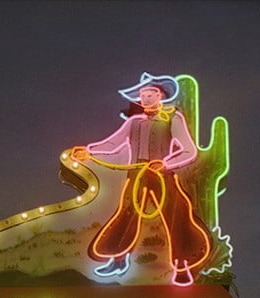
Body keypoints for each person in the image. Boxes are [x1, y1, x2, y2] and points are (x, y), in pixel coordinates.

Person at [72, 73, 212, 285]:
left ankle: (182, 265)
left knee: (177, 214)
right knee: (126, 213)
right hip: (136, 175)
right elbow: (113, 144)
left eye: (150, 93)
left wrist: (165, 164)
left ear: (161, 95)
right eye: (142, 95)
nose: (145, 98)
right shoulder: (134, 123)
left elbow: (189, 151)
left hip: (162, 175)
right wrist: (89, 151)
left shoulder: (172, 118)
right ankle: (118, 259)